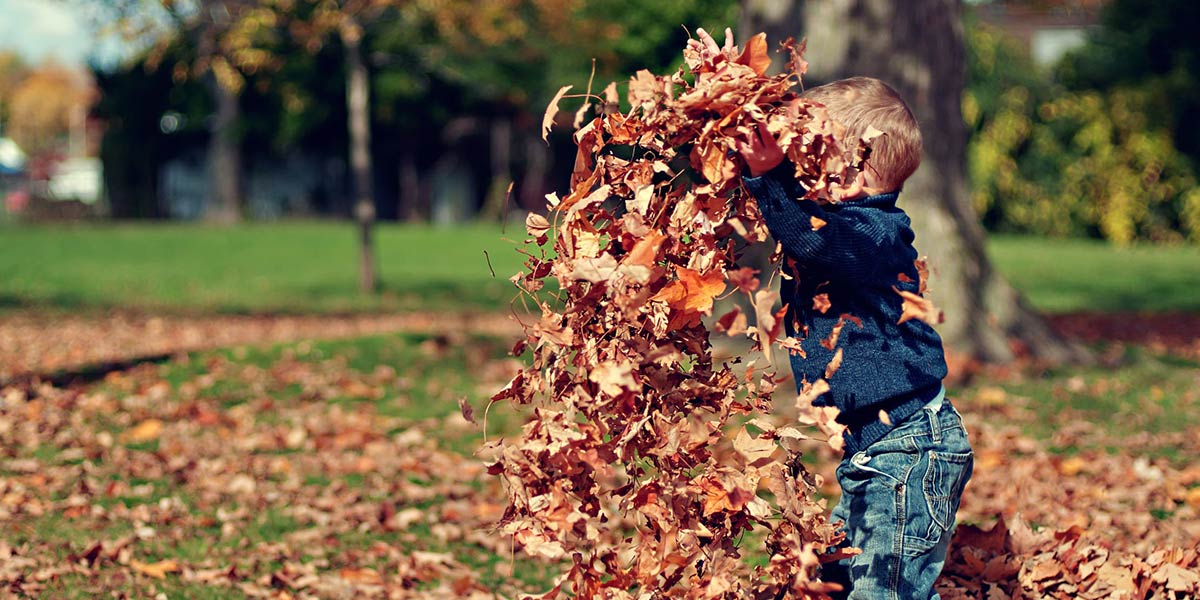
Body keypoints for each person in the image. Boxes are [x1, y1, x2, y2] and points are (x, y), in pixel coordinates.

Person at [735, 74, 975, 598]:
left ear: (852, 178)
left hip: (909, 453)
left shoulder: (873, 235)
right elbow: (797, 222)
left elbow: (813, 241)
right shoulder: (840, 224)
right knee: (843, 576)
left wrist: (769, 177)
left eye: (810, 158)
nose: (797, 171)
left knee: (885, 591)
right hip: (876, 451)